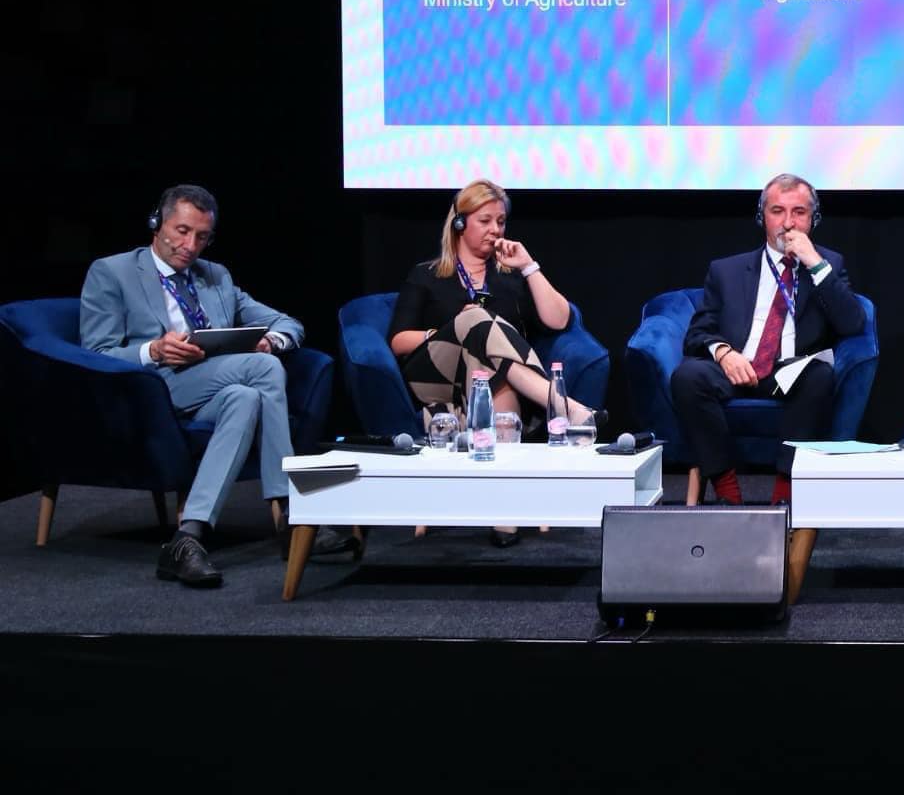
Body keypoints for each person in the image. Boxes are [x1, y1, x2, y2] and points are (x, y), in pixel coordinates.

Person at [79, 184, 351, 589]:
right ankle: (290, 513)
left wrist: (271, 340)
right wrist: (153, 350)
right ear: (157, 223)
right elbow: (95, 354)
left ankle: (188, 536)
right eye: (182, 231)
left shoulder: (215, 277)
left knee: (245, 398)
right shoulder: (113, 272)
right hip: (152, 388)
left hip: (213, 386)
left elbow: (288, 324)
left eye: (202, 237)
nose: (191, 246)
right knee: (263, 370)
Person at [388, 180, 599, 543]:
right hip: (437, 378)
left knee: (492, 368)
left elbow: (560, 320)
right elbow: (398, 341)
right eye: (485, 220)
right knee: (475, 319)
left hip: (489, 384)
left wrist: (529, 266)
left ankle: (504, 510)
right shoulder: (427, 274)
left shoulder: (510, 277)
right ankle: (563, 405)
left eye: (500, 221)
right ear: (460, 223)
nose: (495, 230)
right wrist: (451, 331)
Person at [671, 173, 867, 505]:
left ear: (814, 219)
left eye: (799, 212)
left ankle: (784, 494)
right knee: (687, 376)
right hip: (736, 367)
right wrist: (724, 354)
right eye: (778, 211)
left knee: (820, 377)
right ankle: (726, 490)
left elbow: (852, 323)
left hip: (789, 372)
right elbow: (698, 333)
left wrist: (814, 263)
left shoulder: (829, 265)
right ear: (762, 216)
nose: (788, 223)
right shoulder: (727, 271)